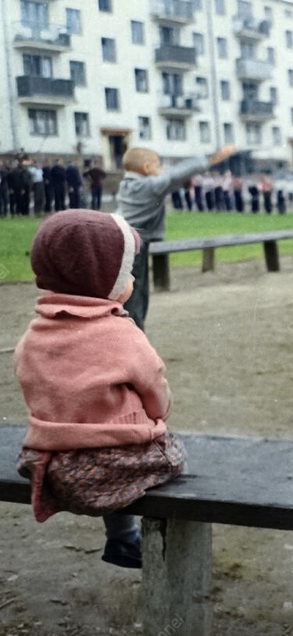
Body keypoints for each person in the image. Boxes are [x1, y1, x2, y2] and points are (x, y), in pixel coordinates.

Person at [14, 209, 186, 568]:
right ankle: (134, 539)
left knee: (98, 437)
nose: (133, 280)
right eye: (127, 273)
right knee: (167, 451)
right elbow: (155, 389)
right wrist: (159, 417)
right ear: (102, 280)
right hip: (112, 468)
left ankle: (122, 538)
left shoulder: (34, 335)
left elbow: (33, 387)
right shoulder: (122, 334)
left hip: (52, 467)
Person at [117, 144, 235, 331]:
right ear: (146, 168)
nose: (160, 170)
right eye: (157, 166)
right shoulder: (148, 185)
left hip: (124, 240)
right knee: (136, 294)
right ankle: (133, 334)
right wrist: (214, 158)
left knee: (133, 290)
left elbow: (172, 180)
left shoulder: (127, 184)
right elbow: (175, 175)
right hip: (134, 244)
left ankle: (131, 331)